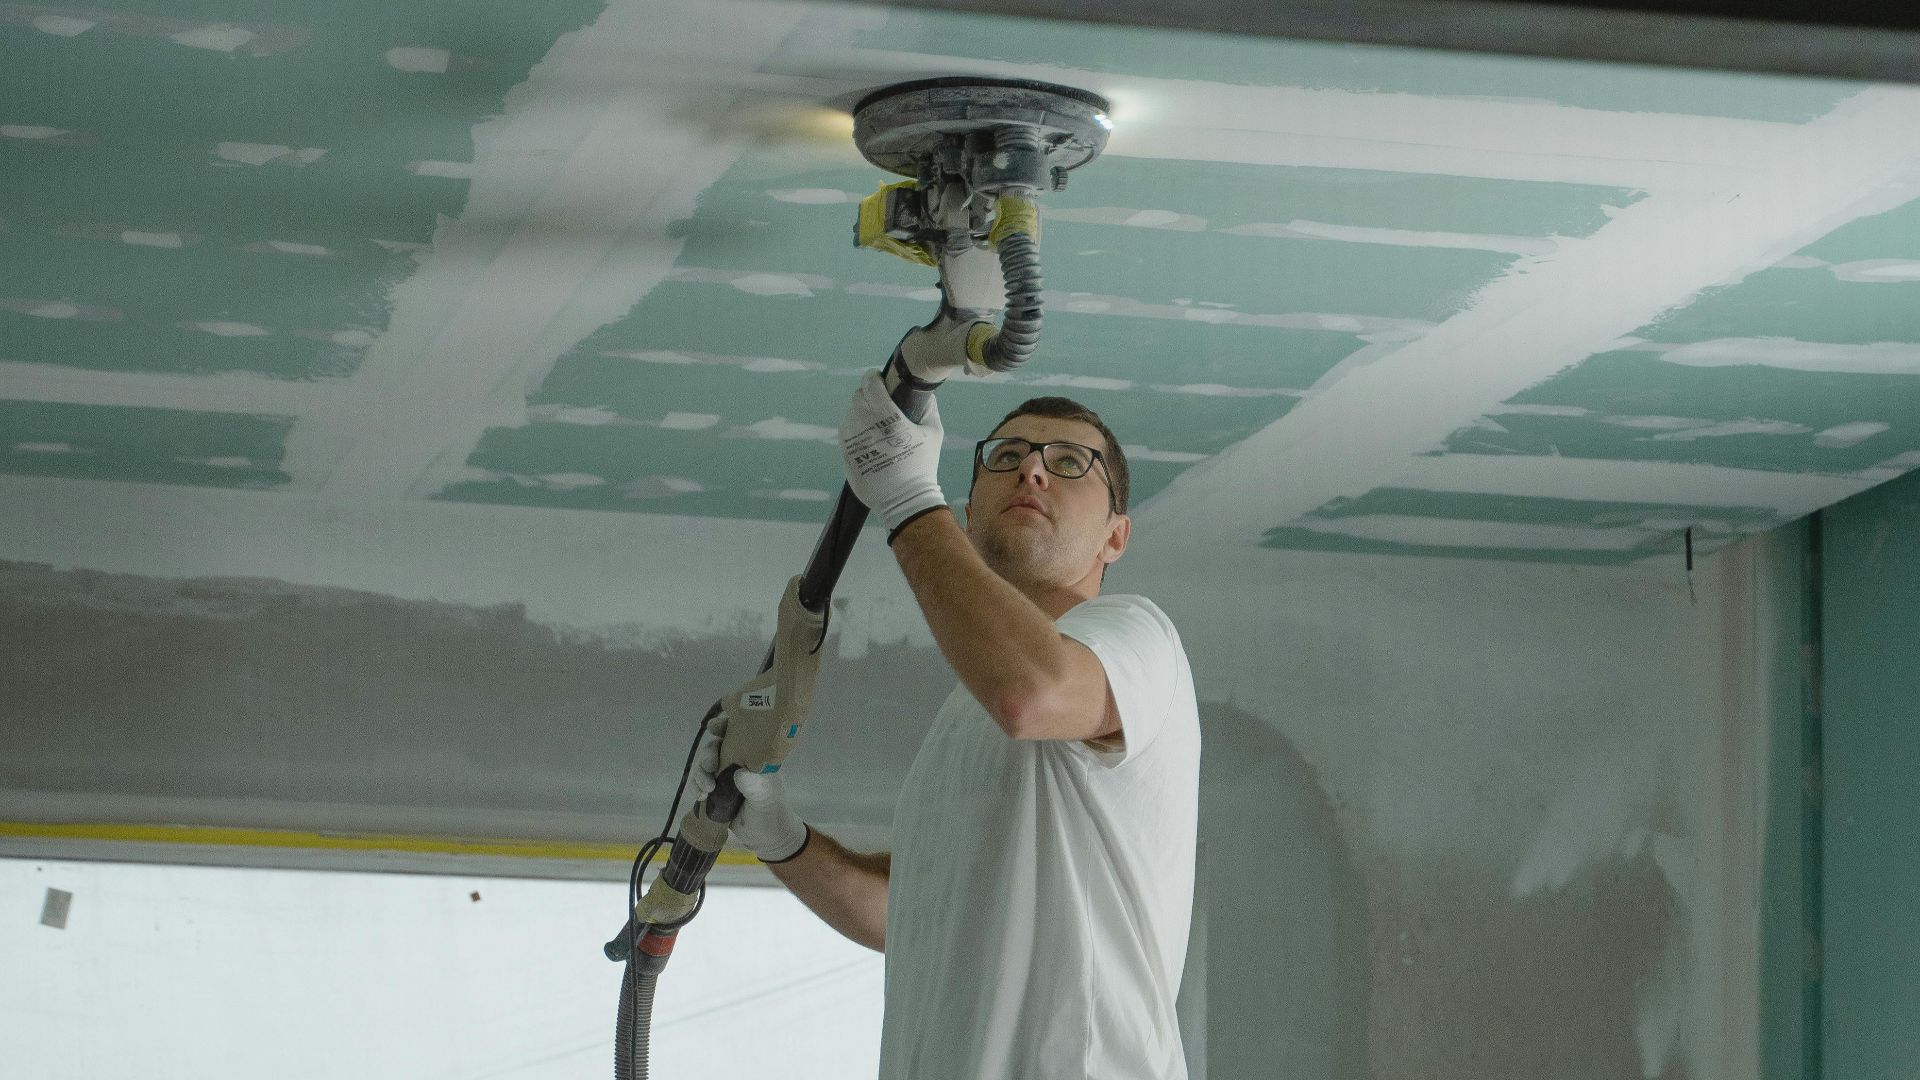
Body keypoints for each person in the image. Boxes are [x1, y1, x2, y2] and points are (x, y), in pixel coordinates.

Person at [690, 370, 1202, 1079]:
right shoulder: (967, 714)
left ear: (1115, 537)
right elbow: (904, 915)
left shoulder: (1136, 636)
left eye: (1069, 462)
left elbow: (1033, 692)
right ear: (966, 520)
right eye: (1007, 455)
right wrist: (781, 839)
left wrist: (906, 499)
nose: (1030, 469)